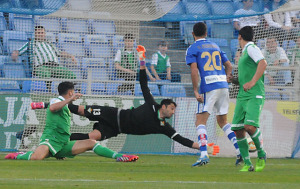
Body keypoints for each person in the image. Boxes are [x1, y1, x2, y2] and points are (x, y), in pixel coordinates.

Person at [32, 46, 218, 157]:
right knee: (81, 110)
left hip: (115, 129)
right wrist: (142, 60)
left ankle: (59, 143)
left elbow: (182, 140)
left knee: (92, 138)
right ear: (164, 106)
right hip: (112, 113)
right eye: (172, 108)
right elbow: (144, 83)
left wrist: (203, 146)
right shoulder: (152, 104)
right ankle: (48, 104)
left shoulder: (163, 126)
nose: (173, 112)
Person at [5, 81, 138, 162]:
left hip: (63, 142)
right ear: (70, 92)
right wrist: (70, 100)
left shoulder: (63, 104)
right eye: (73, 92)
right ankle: (20, 155)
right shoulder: (56, 101)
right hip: (51, 139)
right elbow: (52, 107)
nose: (74, 94)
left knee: (92, 142)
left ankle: (120, 156)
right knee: (36, 158)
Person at [185, 22, 241, 167]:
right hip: (223, 85)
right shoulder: (215, 46)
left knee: (200, 121)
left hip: (209, 86)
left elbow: (194, 70)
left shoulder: (192, 48)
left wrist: (196, 90)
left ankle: (203, 154)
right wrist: (227, 77)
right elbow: (229, 65)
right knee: (223, 122)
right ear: (206, 33)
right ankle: (240, 151)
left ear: (192, 34)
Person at [230, 26, 267, 172]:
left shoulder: (251, 48)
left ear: (239, 36)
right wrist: (234, 80)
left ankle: (262, 154)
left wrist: (252, 83)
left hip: (254, 94)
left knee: (250, 127)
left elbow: (263, 63)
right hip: (242, 95)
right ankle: (247, 163)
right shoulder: (244, 52)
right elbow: (244, 79)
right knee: (238, 130)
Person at [15, 25, 77, 91]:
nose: (40, 34)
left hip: (55, 66)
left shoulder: (49, 44)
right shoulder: (30, 44)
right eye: (38, 33)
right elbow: (19, 51)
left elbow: (59, 53)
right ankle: (49, 91)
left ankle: (64, 91)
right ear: (35, 34)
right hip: (41, 67)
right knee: (46, 75)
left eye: (42, 33)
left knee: (71, 75)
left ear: (44, 34)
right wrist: (15, 54)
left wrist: (71, 56)